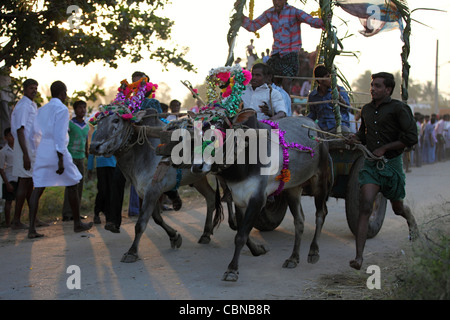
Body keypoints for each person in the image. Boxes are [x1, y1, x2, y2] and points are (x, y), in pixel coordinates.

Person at [346, 72, 418, 270]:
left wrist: (386, 148)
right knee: (365, 206)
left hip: (391, 164)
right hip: (371, 165)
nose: (373, 89)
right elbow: (363, 133)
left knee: (398, 208)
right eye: (372, 85)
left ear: (388, 90)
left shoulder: (399, 109)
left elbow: (412, 137)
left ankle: (410, 220)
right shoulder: (367, 110)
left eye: (378, 86)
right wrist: (355, 138)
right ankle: (359, 257)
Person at [28, 81, 93, 238]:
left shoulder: (41, 109)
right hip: (57, 151)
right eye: (66, 93)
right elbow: (59, 135)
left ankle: (31, 229)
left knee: (38, 187)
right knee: (74, 182)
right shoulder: (62, 109)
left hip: (43, 149)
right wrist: (60, 159)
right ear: (63, 93)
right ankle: (77, 223)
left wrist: (38, 150)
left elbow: (34, 132)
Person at [237, 0, 324, 92]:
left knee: (286, 81)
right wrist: (239, 16)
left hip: (290, 55)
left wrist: (325, 20)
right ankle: (265, 102)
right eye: (274, 0)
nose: (276, 2)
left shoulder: (294, 12)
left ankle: (286, 103)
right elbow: (253, 26)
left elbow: (312, 21)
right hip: (276, 55)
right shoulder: (270, 13)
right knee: (265, 78)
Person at [10, 78, 42, 230]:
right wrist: (25, 154)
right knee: (24, 182)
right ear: (24, 89)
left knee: (30, 183)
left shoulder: (32, 105)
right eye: (31, 88)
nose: (34, 90)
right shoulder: (23, 106)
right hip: (25, 148)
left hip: (31, 147)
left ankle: (33, 218)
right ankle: (16, 220)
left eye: (36, 88)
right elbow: (20, 130)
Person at [62, 100, 89, 221]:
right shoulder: (70, 124)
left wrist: (87, 154)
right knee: (70, 185)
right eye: (79, 108)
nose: (82, 110)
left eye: (84, 107)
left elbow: (86, 141)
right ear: (75, 110)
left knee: (79, 185)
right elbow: (65, 139)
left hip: (81, 157)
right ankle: (67, 213)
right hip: (71, 157)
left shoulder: (86, 125)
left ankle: (76, 212)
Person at [307, 65, 351, 133]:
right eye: (328, 77)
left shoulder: (340, 90)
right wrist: (303, 120)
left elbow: (347, 107)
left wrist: (338, 97)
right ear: (320, 80)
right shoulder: (313, 96)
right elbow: (313, 114)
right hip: (322, 129)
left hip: (339, 127)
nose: (332, 79)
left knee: (345, 132)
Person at [87, 131, 117, 227]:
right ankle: (97, 213)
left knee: (111, 191)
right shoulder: (97, 132)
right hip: (101, 164)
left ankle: (109, 214)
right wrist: (90, 167)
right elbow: (92, 150)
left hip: (113, 164)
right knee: (102, 190)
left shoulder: (114, 131)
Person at [0, 128, 18, 227]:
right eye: (10, 136)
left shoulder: (18, 149)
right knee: (8, 201)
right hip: (9, 178)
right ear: (5, 138)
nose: (12, 138)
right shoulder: (3, 151)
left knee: (19, 200)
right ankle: (7, 223)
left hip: (18, 177)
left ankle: (16, 220)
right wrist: (6, 183)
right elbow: (1, 168)